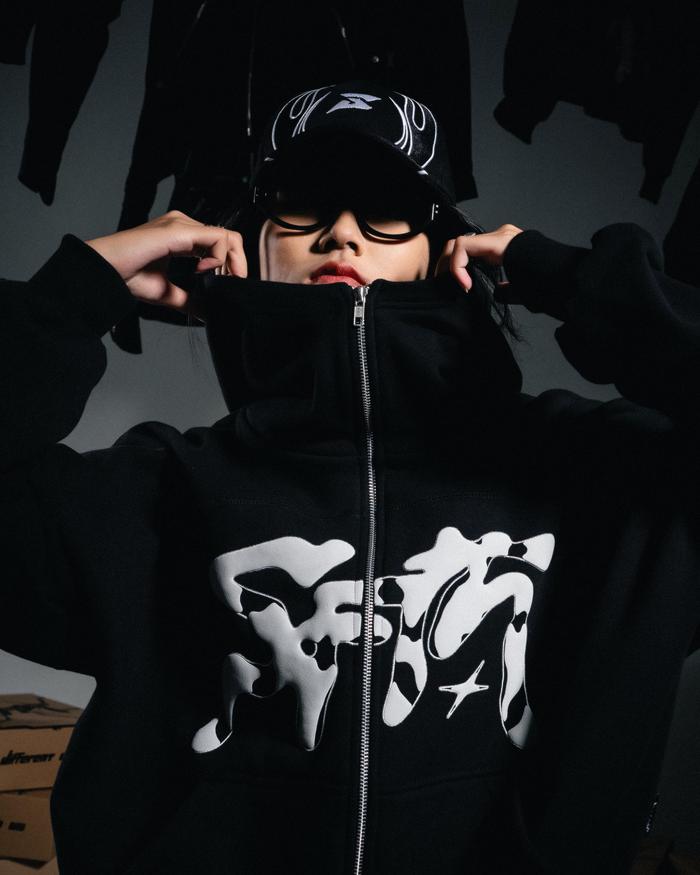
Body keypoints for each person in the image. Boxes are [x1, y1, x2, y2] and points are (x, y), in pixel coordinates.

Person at [1, 80, 698, 875]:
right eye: (301, 205)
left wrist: (571, 278)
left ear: (441, 249)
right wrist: (76, 293)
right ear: (249, 246)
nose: (341, 232)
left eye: (386, 209)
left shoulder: (592, 473)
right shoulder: (160, 490)